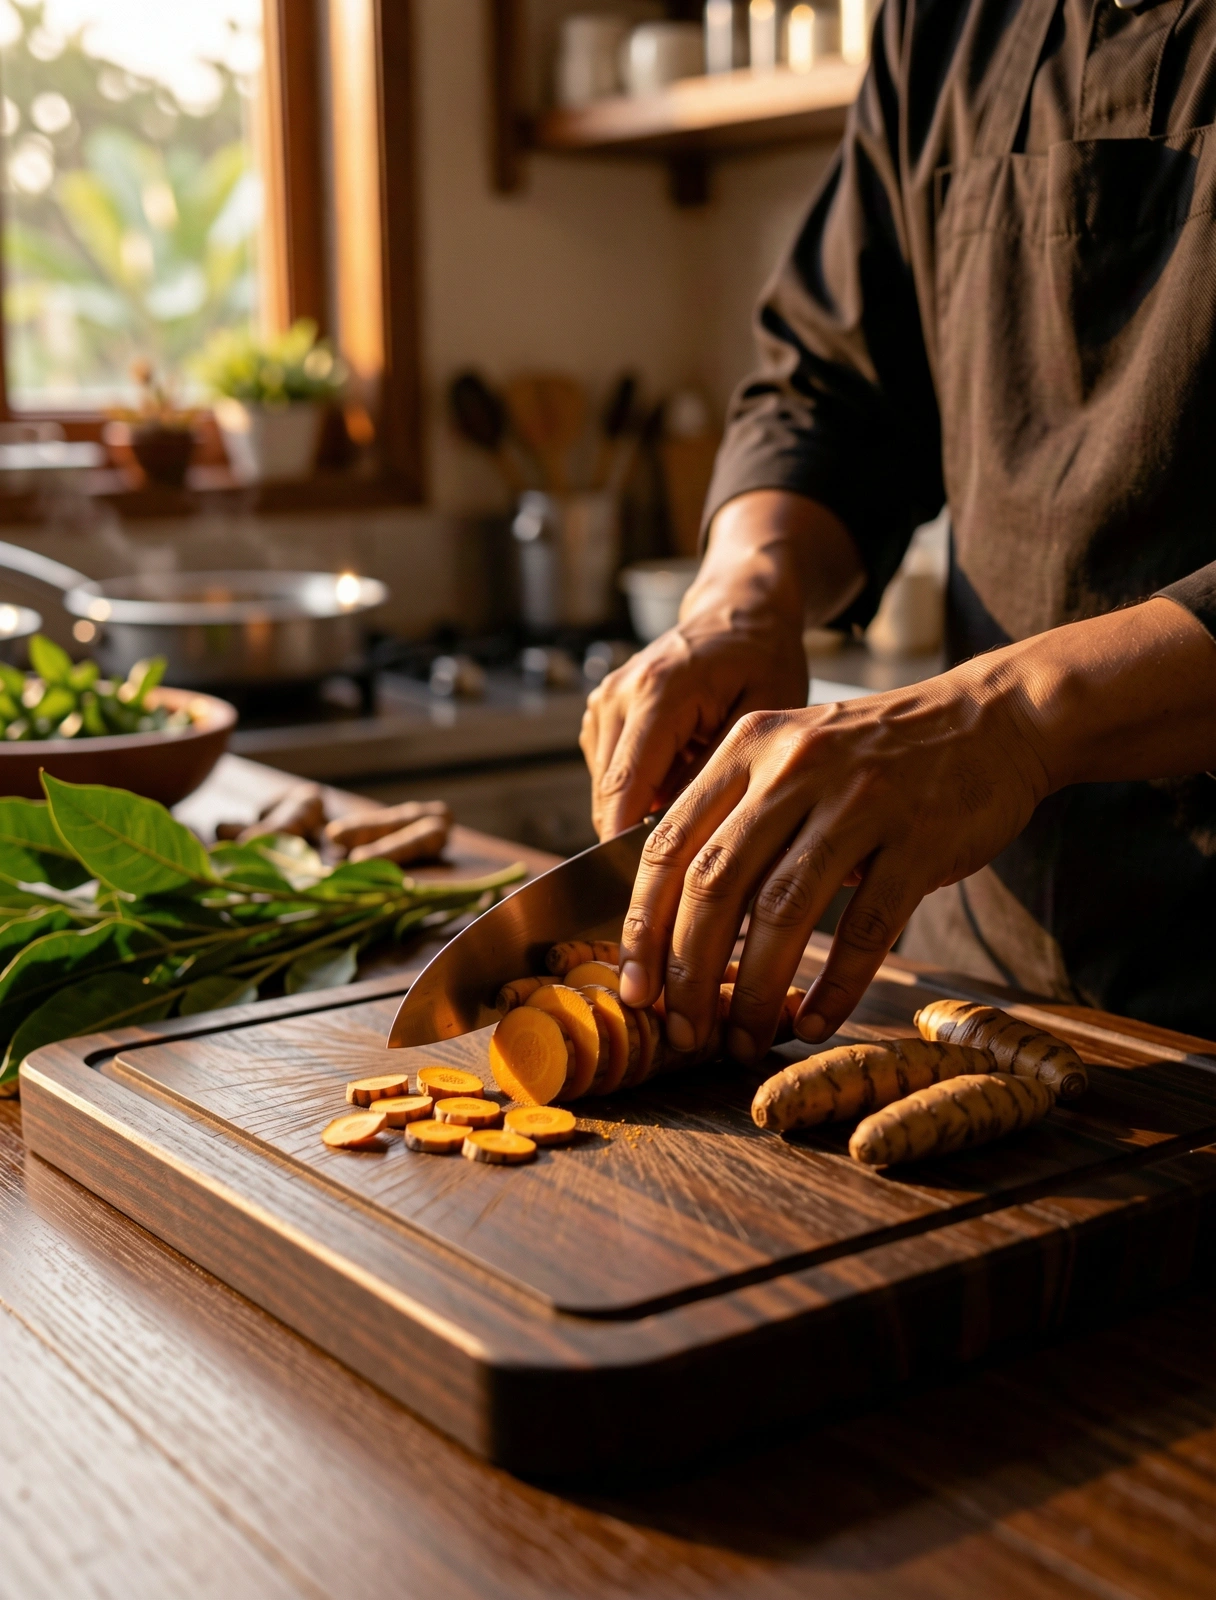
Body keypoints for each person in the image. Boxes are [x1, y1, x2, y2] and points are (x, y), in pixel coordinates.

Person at [581, 0, 1216, 1066]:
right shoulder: (943, 21)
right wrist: (744, 595)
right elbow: (831, 390)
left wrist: (1008, 719)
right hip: (987, 986)